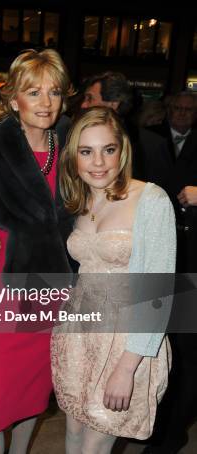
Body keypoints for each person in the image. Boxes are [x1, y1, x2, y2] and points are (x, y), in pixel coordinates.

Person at [0, 48, 75, 454]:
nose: (45, 102)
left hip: (56, 295)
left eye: (53, 92)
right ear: (13, 98)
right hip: (8, 297)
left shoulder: (73, 146)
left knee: (33, 401)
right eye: (33, 92)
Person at [52, 106, 174, 453]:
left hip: (126, 342)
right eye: (86, 152)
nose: (98, 162)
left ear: (122, 151)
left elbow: (159, 291)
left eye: (108, 149)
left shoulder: (151, 199)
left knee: (96, 444)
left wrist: (127, 367)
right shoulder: (81, 200)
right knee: (73, 433)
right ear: (73, 157)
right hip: (78, 337)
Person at [145, 91, 197, 454]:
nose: (181, 114)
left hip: (193, 261)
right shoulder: (148, 136)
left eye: (189, 109)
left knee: (186, 351)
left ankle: (173, 432)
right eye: (176, 108)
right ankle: (150, 425)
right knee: (151, 344)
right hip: (156, 254)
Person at [81, 71, 169, 187]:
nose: (83, 105)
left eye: (90, 98)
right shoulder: (77, 136)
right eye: (86, 152)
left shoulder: (152, 145)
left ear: (113, 104)